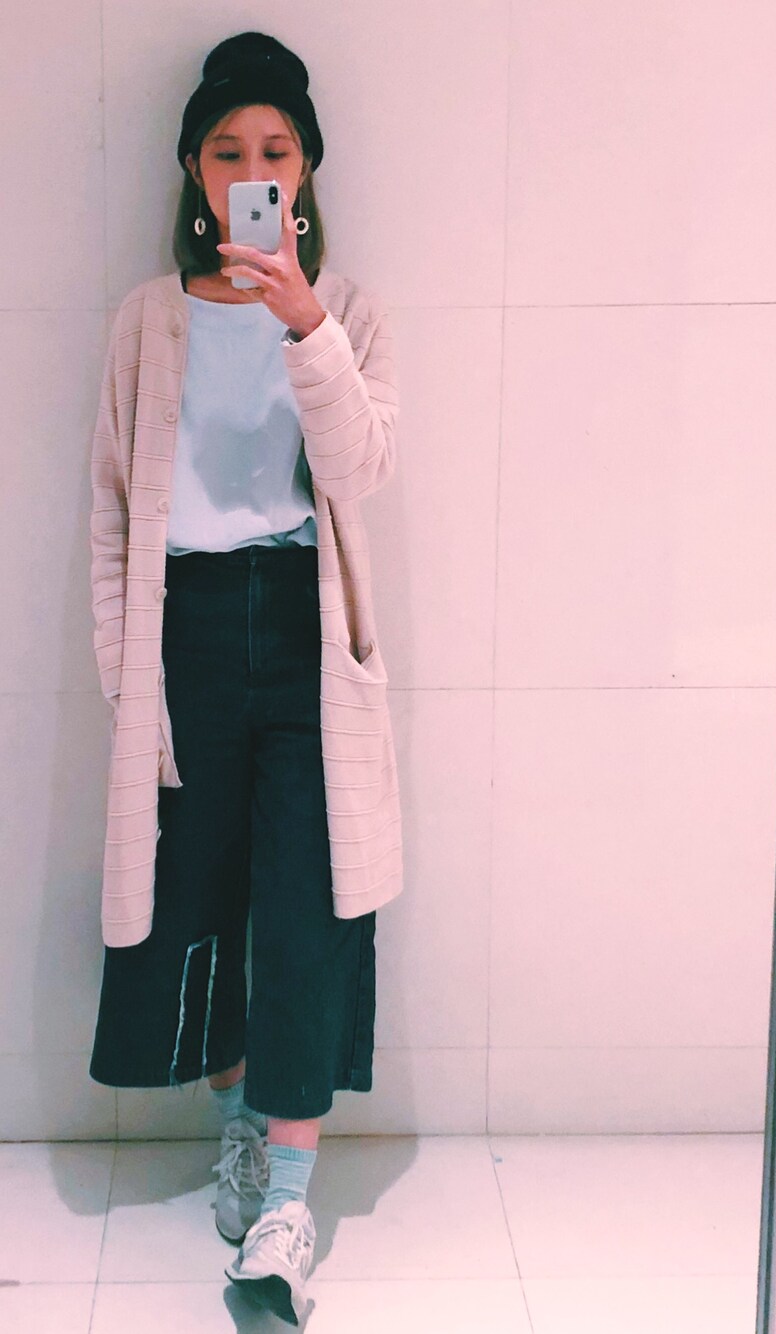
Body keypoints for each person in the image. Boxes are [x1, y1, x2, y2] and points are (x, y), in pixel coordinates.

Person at [86, 31, 402, 1327]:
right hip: (188, 632)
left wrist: (304, 323)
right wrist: (128, 680)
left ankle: (287, 1201)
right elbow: (111, 513)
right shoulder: (148, 319)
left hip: (309, 634)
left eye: (275, 150)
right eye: (228, 151)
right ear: (195, 170)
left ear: (306, 170)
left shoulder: (347, 311)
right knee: (200, 884)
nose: (251, 171)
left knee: (308, 896)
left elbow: (362, 471)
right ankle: (235, 1127)